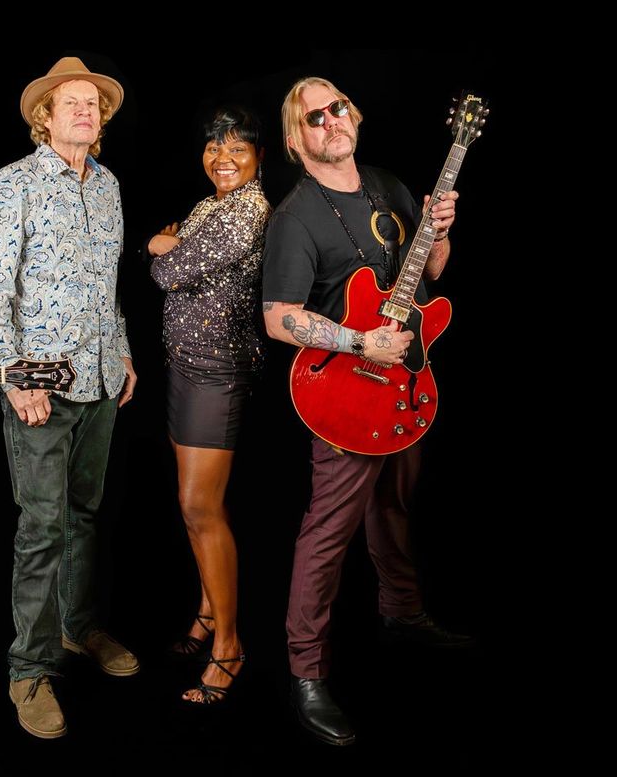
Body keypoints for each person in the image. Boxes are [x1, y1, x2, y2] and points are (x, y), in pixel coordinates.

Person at [261, 77, 473, 747]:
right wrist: (359, 342)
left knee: (395, 505)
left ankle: (401, 613)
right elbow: (278, 317)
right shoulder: (296, 216)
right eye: (314, 117)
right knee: (330, 531)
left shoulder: (387, 186)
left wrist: (440, 233)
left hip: (405, 381)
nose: (332, 120)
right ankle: (306, 673)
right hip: (345, 392)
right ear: (295, 138)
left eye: (338, 108)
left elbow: (431, 273)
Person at [0, 56, 138, 740]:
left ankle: (77, 627)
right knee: (41, 528)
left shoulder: (109, 185)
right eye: (71, 102)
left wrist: (121, 351)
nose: (85, 110)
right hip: (38, 385)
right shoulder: (13, 182)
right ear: (45, 117)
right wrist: (15, 377)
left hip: (99, 381)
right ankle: (29, 670)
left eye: (93, 103)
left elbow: (107, 285)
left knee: (83, 515)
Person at [146, 107, 270, 704]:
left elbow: (168, 272)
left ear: (260, 157)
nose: (223, 157)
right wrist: (176, 243)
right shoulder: (209, 206)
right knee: (190, 505)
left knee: (200, 506)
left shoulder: (247, 210)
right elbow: (182, 257)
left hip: (216, 374)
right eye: (215, 146)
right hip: (183, 369)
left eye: (237, 148)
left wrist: (160, 245)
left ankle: (230, 646)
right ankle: (205, 612)